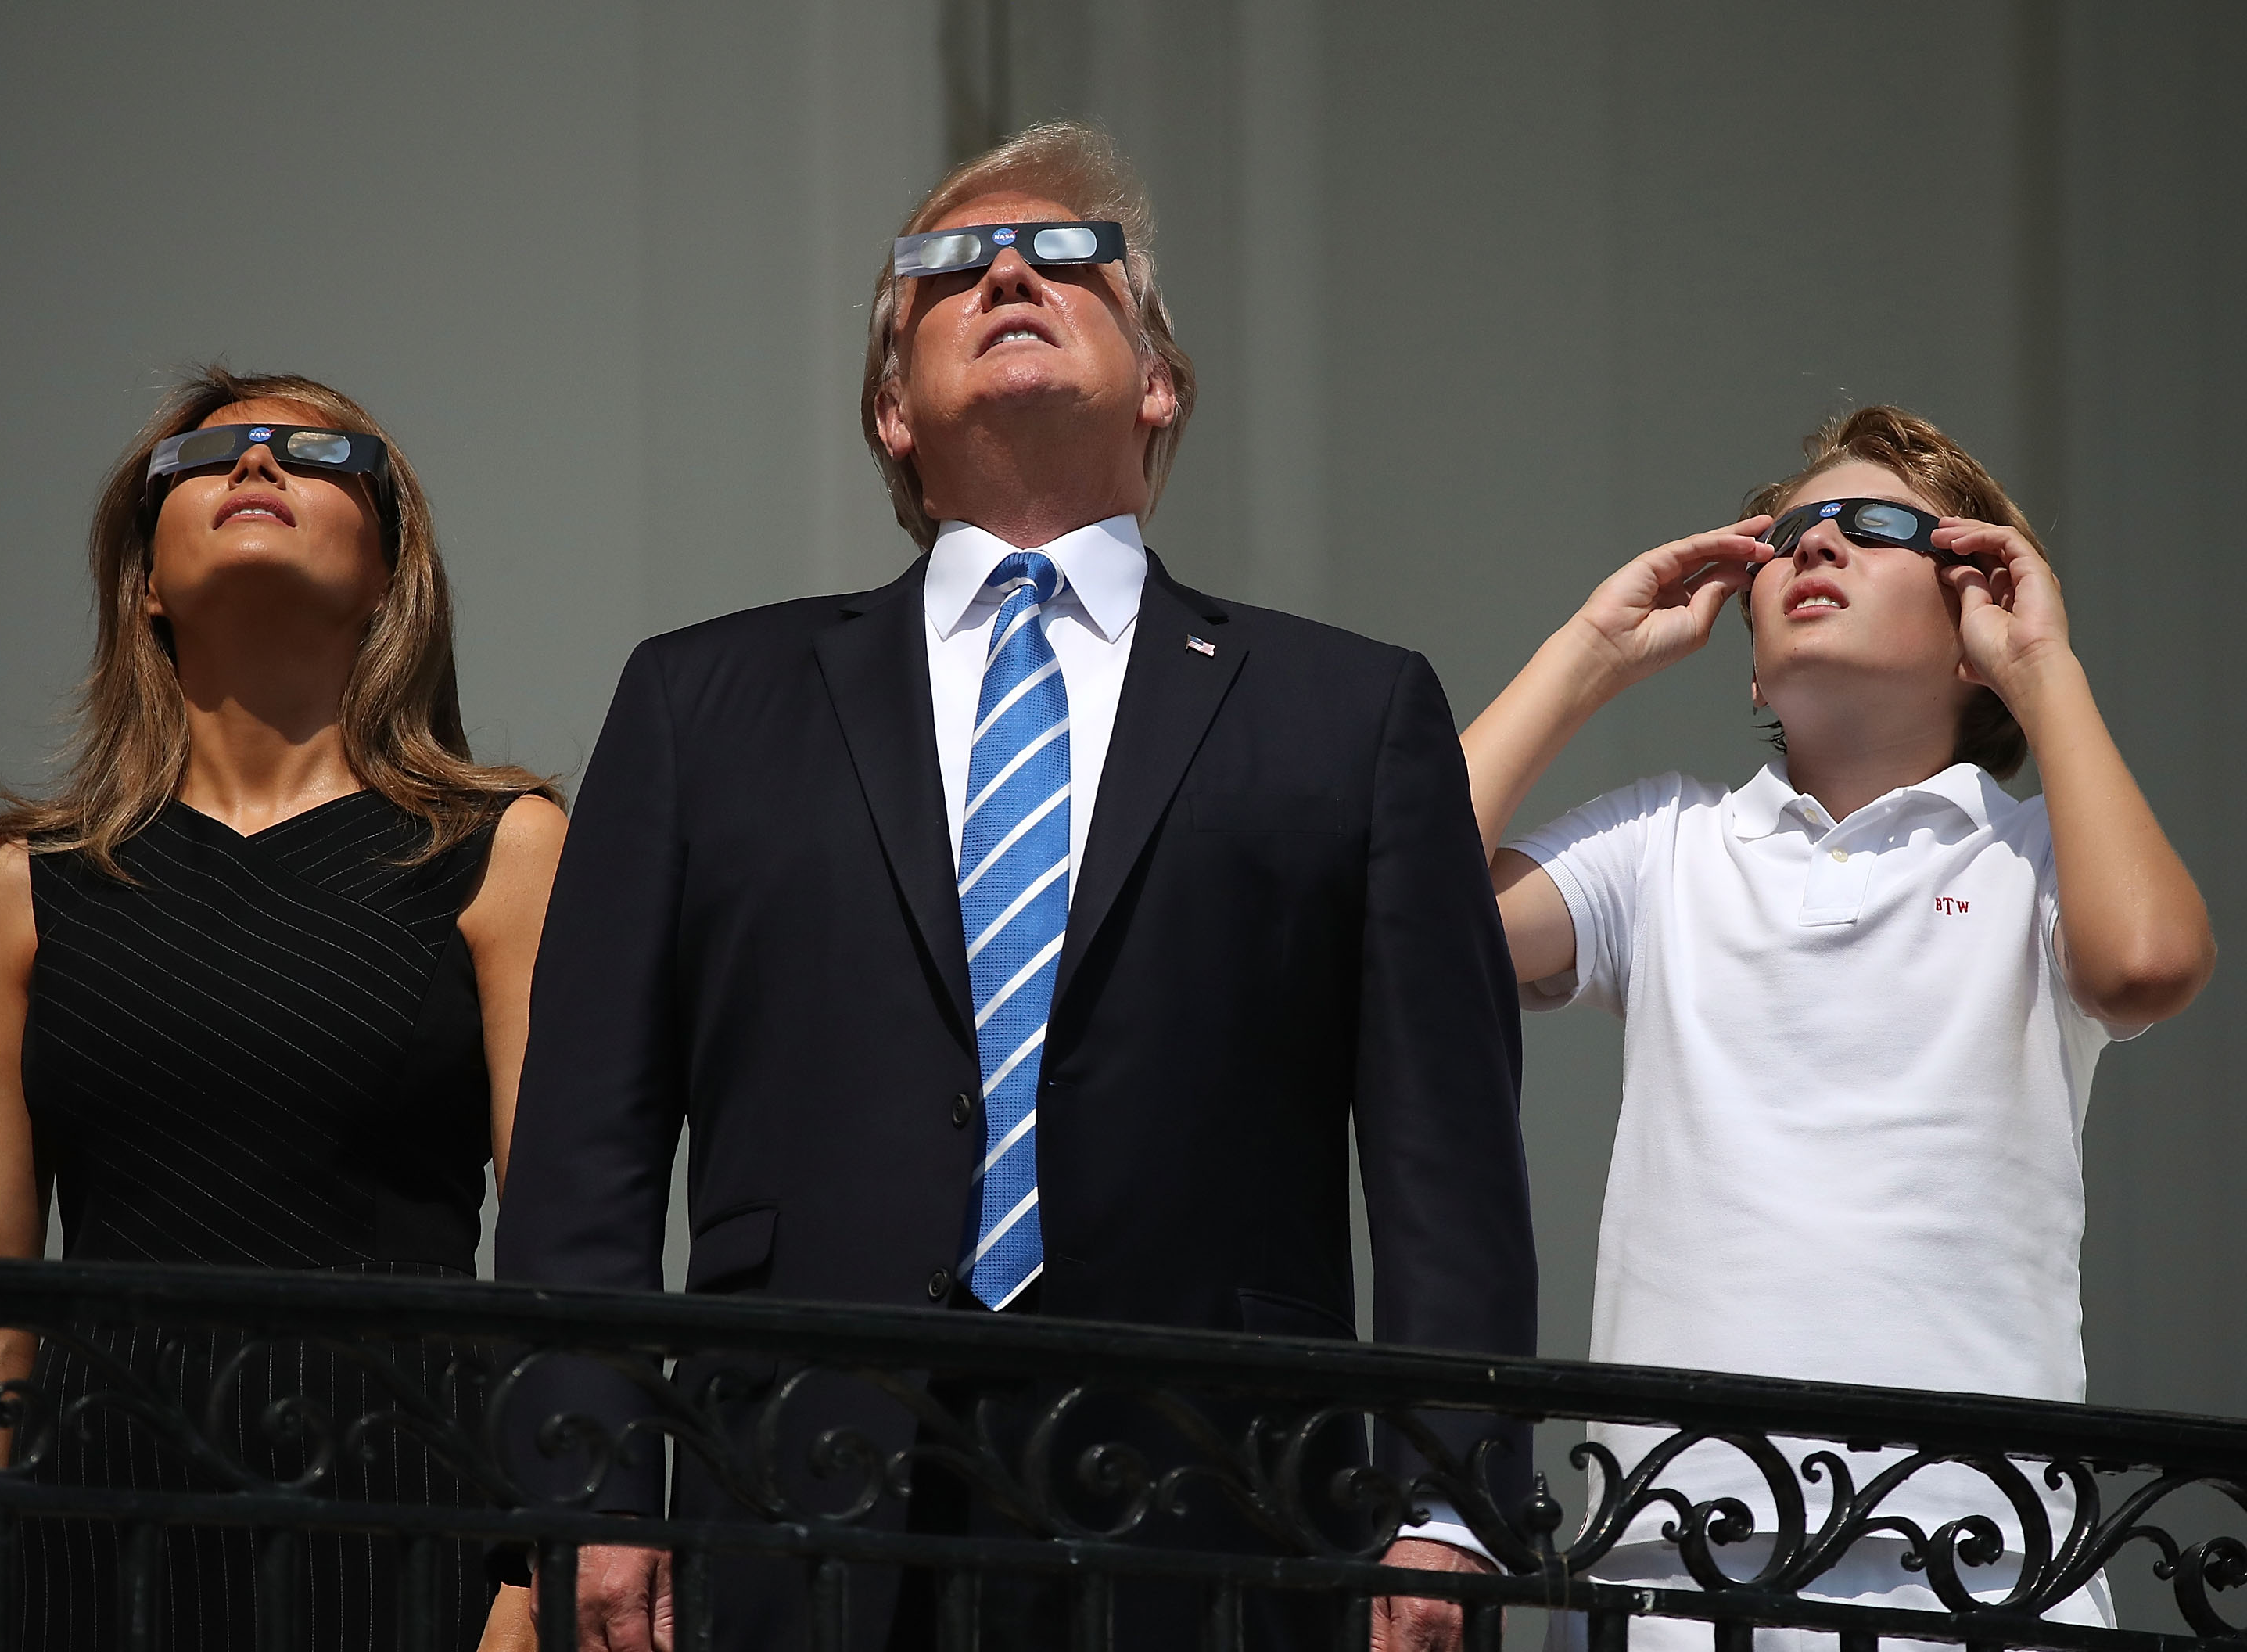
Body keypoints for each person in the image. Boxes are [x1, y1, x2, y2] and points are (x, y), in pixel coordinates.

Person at [495, 120, 1536, 1652]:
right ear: (890, 408)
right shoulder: (699, 705)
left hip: (1219, 1507)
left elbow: (1446, 1162)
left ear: (1161, 379)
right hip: (801, 1490)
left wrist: (1444, 1503)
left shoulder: (1349, 714)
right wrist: (585, 1485)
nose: (1005, 272)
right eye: (946, 265)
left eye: (1067, 255)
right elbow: (585, 1145)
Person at [1459, 405, 2216, 1650]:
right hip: (1673, 1558)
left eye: (1876, 529)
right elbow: (1404, 914)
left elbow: (2145, 964)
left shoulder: (2035, 853)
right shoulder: (1667, 844)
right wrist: (1590, 652)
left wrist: (2046, 668)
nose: (1818, 548)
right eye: (1791, 536)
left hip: (1976, 1558)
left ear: (1974, 626)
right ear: (1751, 665)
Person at [0, 368, 565, 1652]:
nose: (256, 465)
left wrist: (526, 1584)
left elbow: (561, 1277)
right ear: (145, 576)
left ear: (388, 569)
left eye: (311, 454)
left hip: (406, 1536)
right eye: (207, 455)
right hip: (98, 1551)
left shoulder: (502, 852)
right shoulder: (18, 889)